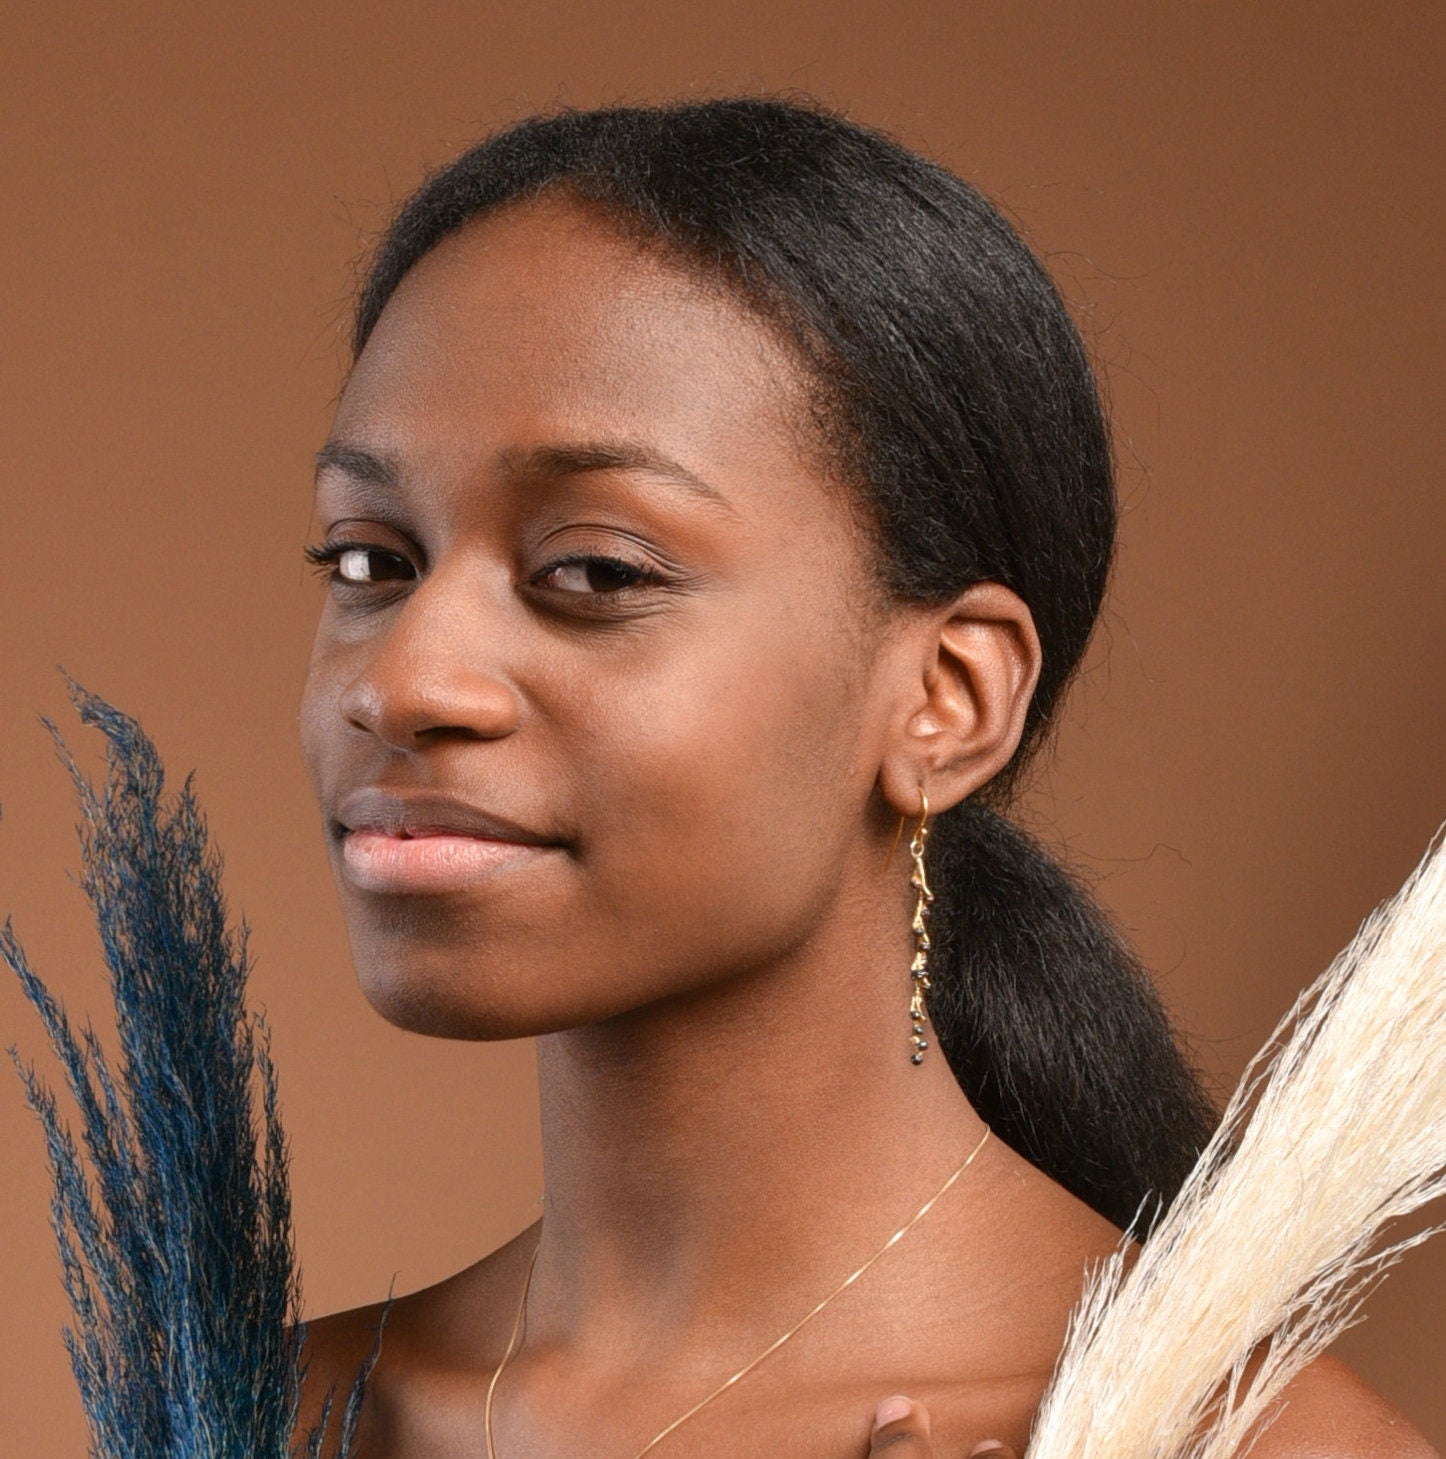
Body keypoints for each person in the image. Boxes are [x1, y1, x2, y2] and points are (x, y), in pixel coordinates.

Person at [292, 98, 1433, 1457]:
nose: (402, 681)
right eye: (369, 560)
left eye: (594, 573)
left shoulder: (1230, 1446)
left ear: (946, 699)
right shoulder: (258, 1412)